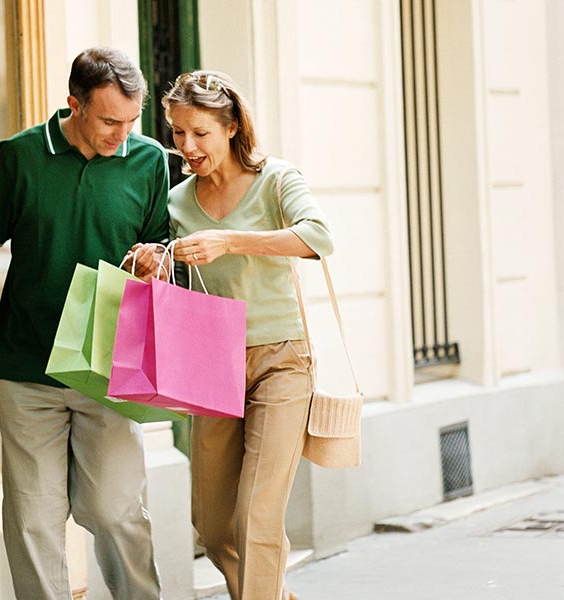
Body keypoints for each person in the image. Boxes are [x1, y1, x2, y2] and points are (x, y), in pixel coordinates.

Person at [0, 48, 168, 599]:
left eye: (131, 121)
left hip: (109, 368)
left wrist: (155, 259)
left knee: (113, 510)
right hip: (27, 366)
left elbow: (161, 252)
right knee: (33, 523)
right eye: (110, 121)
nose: (122, 134)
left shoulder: (149, 160)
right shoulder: (21, 156)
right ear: (74, 105)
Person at [162, 71, 334, 600]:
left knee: (257, 517)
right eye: (177, 133)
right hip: (211, 361)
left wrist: (229, 241)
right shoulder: (177, 202)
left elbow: (318, 237)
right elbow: (174, 277)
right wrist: (155, 261)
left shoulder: (277, 179)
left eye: (199, 133)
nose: (186, 146)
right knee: (214, 527)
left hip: (280, 359)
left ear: (231, 126)